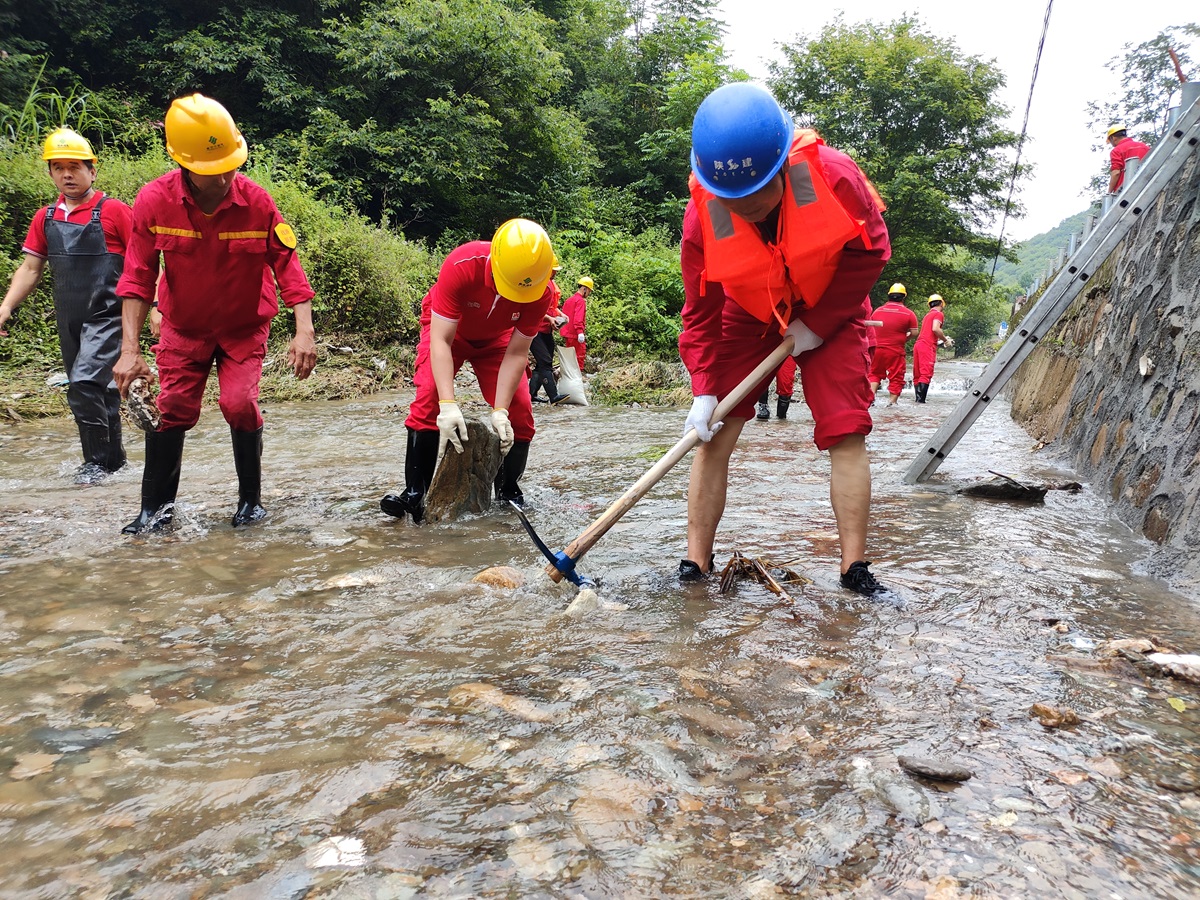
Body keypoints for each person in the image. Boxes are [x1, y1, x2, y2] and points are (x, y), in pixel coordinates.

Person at [679, 83, 892, 597]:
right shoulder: (702, 216)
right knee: (715, 429)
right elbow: (701, 310)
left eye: (757, 192)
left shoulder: (833, 176)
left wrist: (819, 324)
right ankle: (694, 564)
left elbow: (872, 250)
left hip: (830, 304)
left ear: (780, 167)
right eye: (735, 197)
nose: (747, 206)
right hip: (748, 308)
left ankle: (854, 569)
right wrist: (704, 387)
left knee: (845, 429)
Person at [112, 93, 318, 533]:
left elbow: (289, 268)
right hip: (183, 328)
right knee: (173, 408)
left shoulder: (257, 203)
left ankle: (250, 503)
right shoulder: (154, 202)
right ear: (184, 163)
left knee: (238, 403)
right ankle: (155, 511)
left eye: (230, 164)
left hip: (244, 328)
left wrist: (304, 332)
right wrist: (129, 349)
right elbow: (137, 277)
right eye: (212, 169)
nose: (224, 176)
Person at [380, 218, 557, 522]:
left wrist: (500, 410)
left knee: (520, 409)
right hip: (450, 330)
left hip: (499, 340)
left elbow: (516, 353)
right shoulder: (463, 264)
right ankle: (415, 493)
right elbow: (441, 339)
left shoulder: (541, 290)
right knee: (429, 395)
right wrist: (448, 405)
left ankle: (508, 491)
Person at [0, 128, 132, 483]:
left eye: (75, 166)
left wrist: (158, 309)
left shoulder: (115, 211)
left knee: (84, 383)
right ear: (50, 173)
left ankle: (94, 464)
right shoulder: (44, 218)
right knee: (100, 389)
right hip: (70, 318)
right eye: (59, 167)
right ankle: (116, 464)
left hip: (110, 314)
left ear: (93, 170)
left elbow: (146, 263)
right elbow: (30, 268)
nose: (67, 174)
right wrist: (5, 306)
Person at [868, 283, 918, 406]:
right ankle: (891, 403)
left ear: (889, 295)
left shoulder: (877, 311)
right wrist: (905, 338)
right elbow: (915, 332)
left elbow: (871, 329)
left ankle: (870, 399)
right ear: (903, 297)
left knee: (873, 373)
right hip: (895, 351)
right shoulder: (908, 314)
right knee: (896, 376)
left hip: (877, 349)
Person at [528, 273, 569, 404]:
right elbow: (534, 309)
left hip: (546, 330)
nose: (555, 272)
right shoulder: (539, 285)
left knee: (543, 363)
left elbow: (552, 307)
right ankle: (554, 396)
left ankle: (531, 394)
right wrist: (549, 318)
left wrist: (561, 314)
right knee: (545, 362)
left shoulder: (551, 284)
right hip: (535, 330)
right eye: (553, 269)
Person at [911, 294, 953, 403]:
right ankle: (921, 402)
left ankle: (917, 401)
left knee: (917, 374)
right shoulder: (939, 314)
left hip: (918, 345)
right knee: (926, 374)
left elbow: (927, 334)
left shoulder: (927, 315)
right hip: (927, 347)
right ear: (941, 303)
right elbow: (935, 329)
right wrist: (945, 340)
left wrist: (939, 342)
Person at [560, 275, 592, 371]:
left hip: (567, 333)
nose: (589, 293)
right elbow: (578, 319)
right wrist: (580, 332)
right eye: (589, 291)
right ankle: (577, 379)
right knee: (579, 357)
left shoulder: (569, 300)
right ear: (584, 289)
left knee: (570, 358)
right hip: (575, 335)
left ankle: (564, 374)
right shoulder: (580, 301)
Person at [1106, 125, 1150, 194]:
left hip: (1125, 191)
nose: (1111, 144)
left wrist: (1109, 192)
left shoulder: (1116, 150)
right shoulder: (1144, 146)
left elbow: (1116, 173)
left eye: (1110, 141)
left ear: (1113, 138)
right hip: (1146, 185)